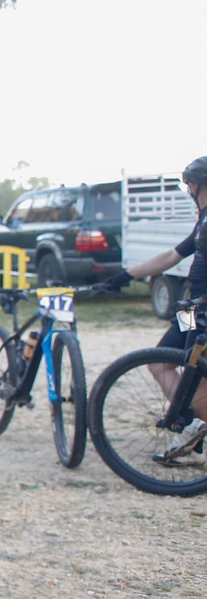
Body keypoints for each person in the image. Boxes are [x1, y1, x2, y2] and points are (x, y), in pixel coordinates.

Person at [96, 156, 207, 453]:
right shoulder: (203, 220)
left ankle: (195, 439)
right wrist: (125, 276)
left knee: (198, 376)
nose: (189, 194)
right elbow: (172, 256)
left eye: (189, 188)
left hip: (204, 310)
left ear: (195, 186)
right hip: (192, 311)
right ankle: (189, 430)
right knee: (161, 364)